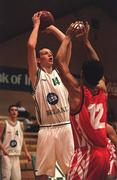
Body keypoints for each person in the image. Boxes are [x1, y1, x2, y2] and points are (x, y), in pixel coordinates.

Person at [55, 21, 110, 180]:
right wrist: (86, 42)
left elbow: (60, 62)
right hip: (104, 155)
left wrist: (67, 37)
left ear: (82, 75)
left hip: (88, 154)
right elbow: (97, 63)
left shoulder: (78, 93)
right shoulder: (103, 90)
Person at [27, 11, 74, 180]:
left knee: (71, 171)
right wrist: (37, 25)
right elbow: (31, 46)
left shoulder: (60, 73)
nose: (50, 54)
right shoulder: (36, 76)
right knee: (42, 174)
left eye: (50, 52)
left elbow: (66, 43)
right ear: (38, 60)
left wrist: (51, 27)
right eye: (45, 53)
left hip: (65, 126)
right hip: (46, 130)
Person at [0, 104, 31, 180]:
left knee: (17, 178)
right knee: (5, 177)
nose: (14, 111)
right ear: (9, 112)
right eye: (12, 110)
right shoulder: (3, 123)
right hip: (6, 155)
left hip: (16, 155)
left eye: (16, 110)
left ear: (18, 113)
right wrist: (3, 150)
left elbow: (22, 139)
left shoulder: (21, 124)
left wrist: (26, 152)